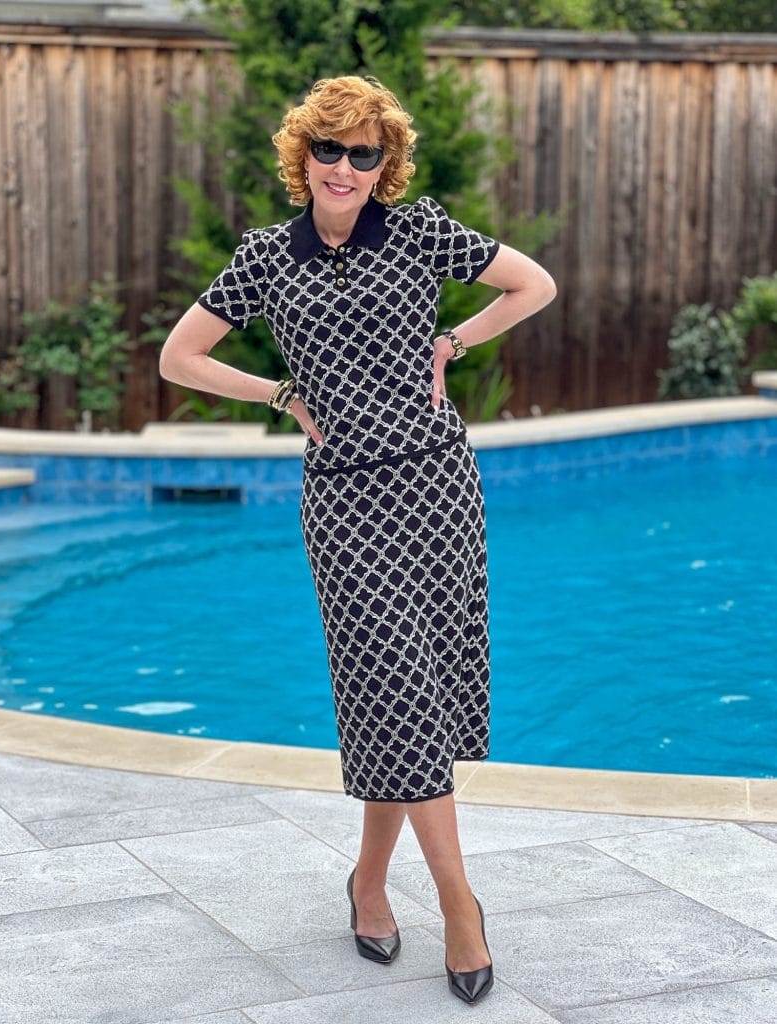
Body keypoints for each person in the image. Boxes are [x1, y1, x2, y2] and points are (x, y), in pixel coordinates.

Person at [159, 73, 556, 1005]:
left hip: (438, 486)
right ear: (303, 157)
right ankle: (461, 905)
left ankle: (370, 884)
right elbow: (181, 356)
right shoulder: (266, 258)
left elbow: (533, 284)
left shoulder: (419, 232)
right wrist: (280, 395)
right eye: (328, 149)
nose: (344, 166)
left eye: (363, 153)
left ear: (386, 165)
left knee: (415, 694)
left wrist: (452, 343)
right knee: (393, 685)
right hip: (345, 504)